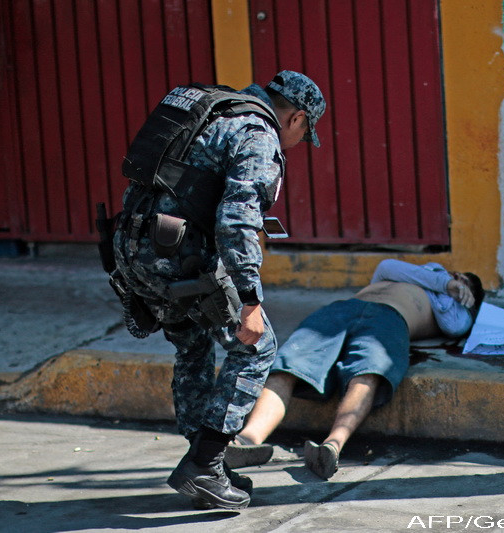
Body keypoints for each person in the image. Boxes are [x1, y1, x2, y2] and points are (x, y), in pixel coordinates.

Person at [110, 71, 325, 510]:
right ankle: (205, 466)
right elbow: (237, 220)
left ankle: (206, 464)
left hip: (133, 251)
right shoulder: (258, 133)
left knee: (192, 345)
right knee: (257, 344)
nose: (298, 143)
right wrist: (250, 299)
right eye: (304, 134)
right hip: (178, 260)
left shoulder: (212, 109)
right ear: (297, 118)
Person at [225, 259, 485, 479]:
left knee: (368, 371)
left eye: (465, 283)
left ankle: (332, 446)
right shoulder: (414, 275)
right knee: (289, 364)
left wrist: (455, 294)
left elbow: (455, 326)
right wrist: (444, 282)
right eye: (457, 275)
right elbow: (387, 265)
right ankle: (248, 440)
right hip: (342, 309)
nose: (458, 279)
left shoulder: (453, 311)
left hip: (390, 318)